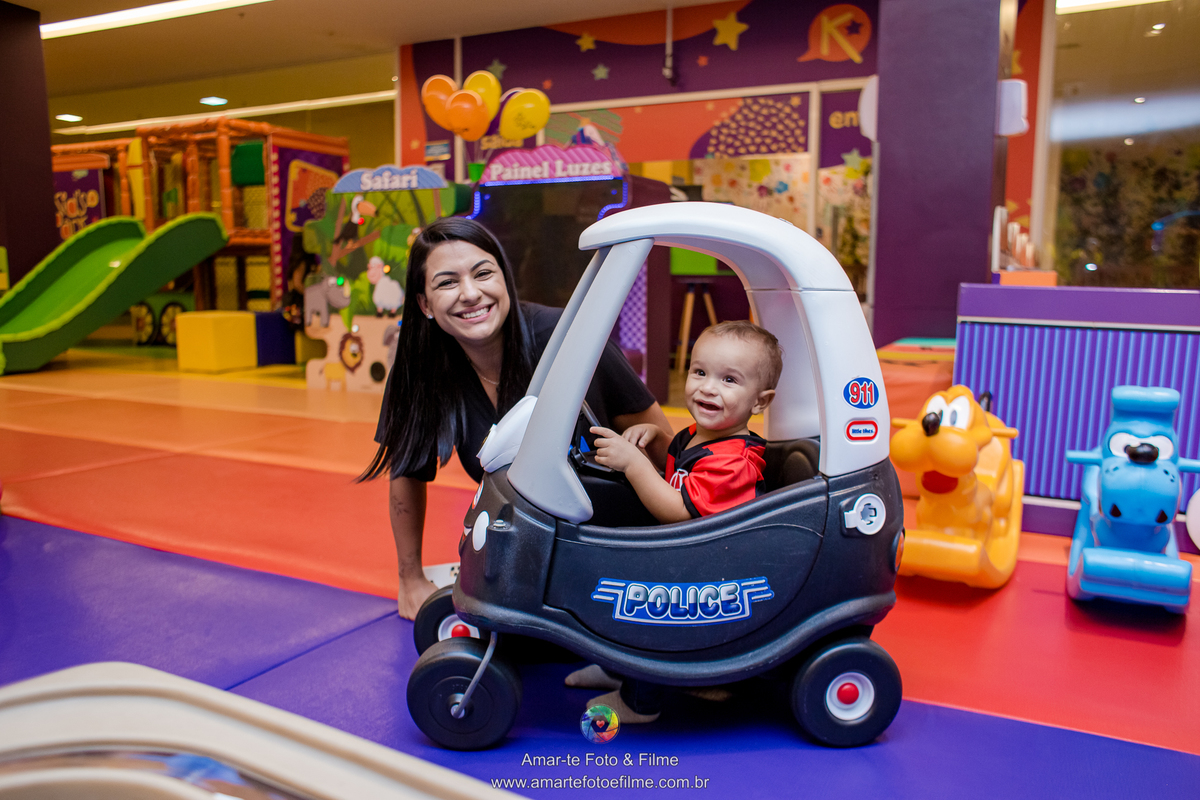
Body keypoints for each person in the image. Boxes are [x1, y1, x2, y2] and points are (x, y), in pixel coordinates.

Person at [361, 217, 672, 619]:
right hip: (536, 552)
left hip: (622, 545)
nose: (470, 294)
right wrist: (410, 579)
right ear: (424, 304)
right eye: (446, 282)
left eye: (483, 273)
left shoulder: (566, 336)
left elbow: (666, 444)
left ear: (505, 279)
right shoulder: (422, 366)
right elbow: (406, 470)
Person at [589, 320, 782, 523]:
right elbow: (677, 465)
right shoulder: (697, 434)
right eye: (700, 373)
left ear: (760, 402)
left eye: (729, 380)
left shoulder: (734, 464)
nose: (708, 388)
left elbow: (679, 513)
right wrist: (656, 438)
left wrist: (633, 464)